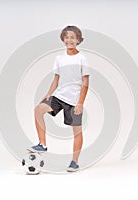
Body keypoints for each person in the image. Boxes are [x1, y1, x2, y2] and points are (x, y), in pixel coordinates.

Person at [28, 25, 90, 172]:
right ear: (63, 39)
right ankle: (42, 144)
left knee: (77, 132)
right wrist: (48, 94)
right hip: (59, 96)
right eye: (67, 37)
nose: (70, 40)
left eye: (73, 37)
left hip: (74, 101)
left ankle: (74, 162)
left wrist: (80, 103)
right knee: (38, 109)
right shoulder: (59, 58)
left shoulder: (82, 59)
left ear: (78, 40)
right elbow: (56, 79)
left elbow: (85, 83)